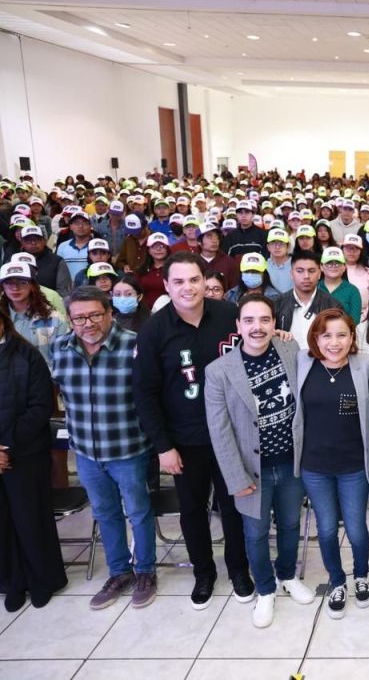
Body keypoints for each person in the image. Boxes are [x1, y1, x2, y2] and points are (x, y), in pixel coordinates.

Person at [133, 252, 255, 611]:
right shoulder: (154, 330)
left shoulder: (230, 315)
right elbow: (144, 393)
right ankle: (203, 572)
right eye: (179, 281)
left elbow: (259, 341)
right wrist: (162, 446)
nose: (188, 287)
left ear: (205, 281)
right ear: (166, 285)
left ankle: (239, 569)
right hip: (184, 440)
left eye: (194, 279)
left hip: (231, 435)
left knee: (234, 507)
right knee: (192, 510)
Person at [205, 295, 312, 627]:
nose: (257, 327)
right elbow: (219, 430)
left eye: (265, 320)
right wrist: (236, 478)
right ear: (238, 325)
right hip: (252, 470)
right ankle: (265, 589)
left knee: (290, 524)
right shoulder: (219, 371)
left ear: (274, 324)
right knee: (256, 532)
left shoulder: (290, 349)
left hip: (290, 462)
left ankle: (287, 575)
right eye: (249, 320)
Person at [50, 286, 157, 610]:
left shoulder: (135, 346)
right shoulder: (59, 348)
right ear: (70, 320)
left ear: (110, 313)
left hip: (128, 449)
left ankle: (145, 572)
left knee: (138, 512)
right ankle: (119, 572)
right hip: (86, 453)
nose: (88, 323)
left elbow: (151, 396)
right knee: (105, 513)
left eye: (95, 315)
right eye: (79, 318)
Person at [297, 308, 369, 621]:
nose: (334, 342)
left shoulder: (365, 365)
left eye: (342, 335)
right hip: (315, 466)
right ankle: (337, 580)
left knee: (356, 529)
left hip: (353, 465)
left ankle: (361, 575)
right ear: (315, 338)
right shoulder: (303, 361)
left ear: (352, 337)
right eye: (326, 335)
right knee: (328, 528)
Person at [0, 306, 65, 612]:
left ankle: (42, 581)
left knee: (31, 519)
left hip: (26, 452)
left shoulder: (28, 356)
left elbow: (41, 406)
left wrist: (7, 447)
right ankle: (11, 583)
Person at [0, 261, 69, 367]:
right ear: (2, 287)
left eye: (22, 282)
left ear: (32, 285)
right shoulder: (2, 319)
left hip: (45, 375)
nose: (15, 288)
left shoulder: (55, 319)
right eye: (9, 283)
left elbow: (64, 357)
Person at [273, 249, 340, 350]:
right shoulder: (277, 304)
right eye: (300, 271)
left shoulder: (333, 305)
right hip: (287, 358)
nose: (306, 276)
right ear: (291, 274)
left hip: (322, 358)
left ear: (319, 274)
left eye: (311, 271)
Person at [317, 246, 361, 321]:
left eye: (338, 263)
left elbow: (354, 320)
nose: (333, 266)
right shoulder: (314, 287)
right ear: (321, 267)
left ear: (344, 267)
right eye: (329, 263)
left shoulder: (353, 290)